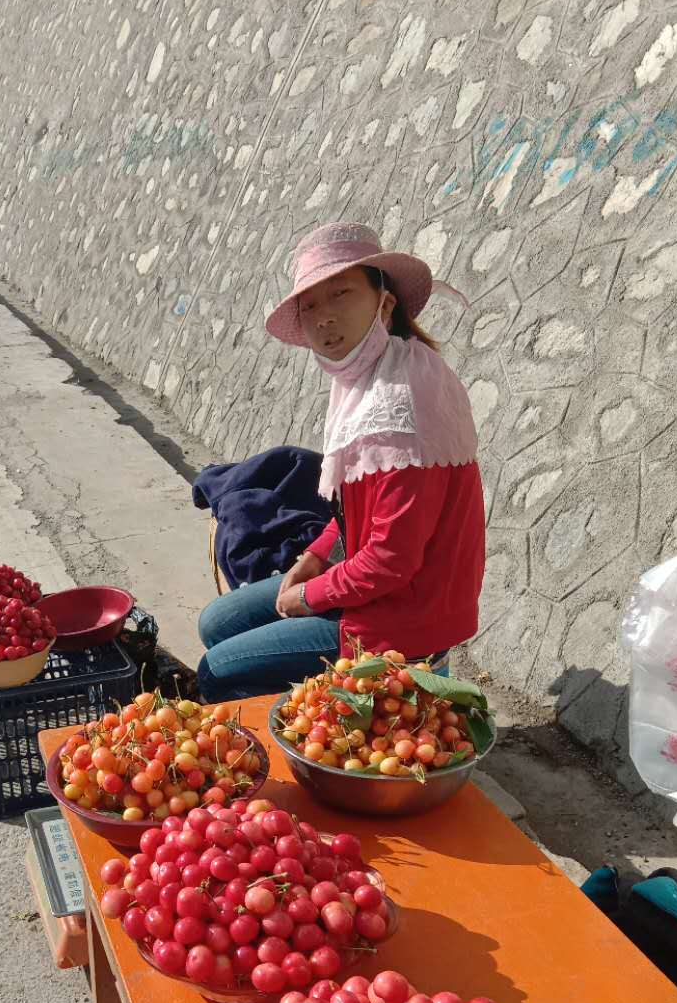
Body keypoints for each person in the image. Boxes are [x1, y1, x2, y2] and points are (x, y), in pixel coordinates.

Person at [196, 222, 485, 702]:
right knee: (217, 622)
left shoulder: (400, 405)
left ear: (384, 303)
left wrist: (310, 597)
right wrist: (313, 558)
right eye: (309, 305)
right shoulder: (366, 381)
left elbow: (391, 560)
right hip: (371, 586)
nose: (323, 318)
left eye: (341, 294)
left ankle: (352, 710)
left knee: (217, 670)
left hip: (402, 618)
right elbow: (353, 517)